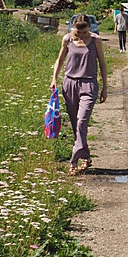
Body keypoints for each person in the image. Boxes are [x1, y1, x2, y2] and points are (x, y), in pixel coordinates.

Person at [51, 13, 108, 175]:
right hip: (70, 84)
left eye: (85, 32)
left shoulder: (96, 40)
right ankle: (86, 158)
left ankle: (74, 161)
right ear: (73, 27)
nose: (82, 35)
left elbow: (102, 64)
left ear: (89, 28)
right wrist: (54, 78)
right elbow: (60, 59)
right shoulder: (67, 39)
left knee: (82, 121)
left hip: (89, 85)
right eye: (79, 32)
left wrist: (104, 87)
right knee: (76, 125)